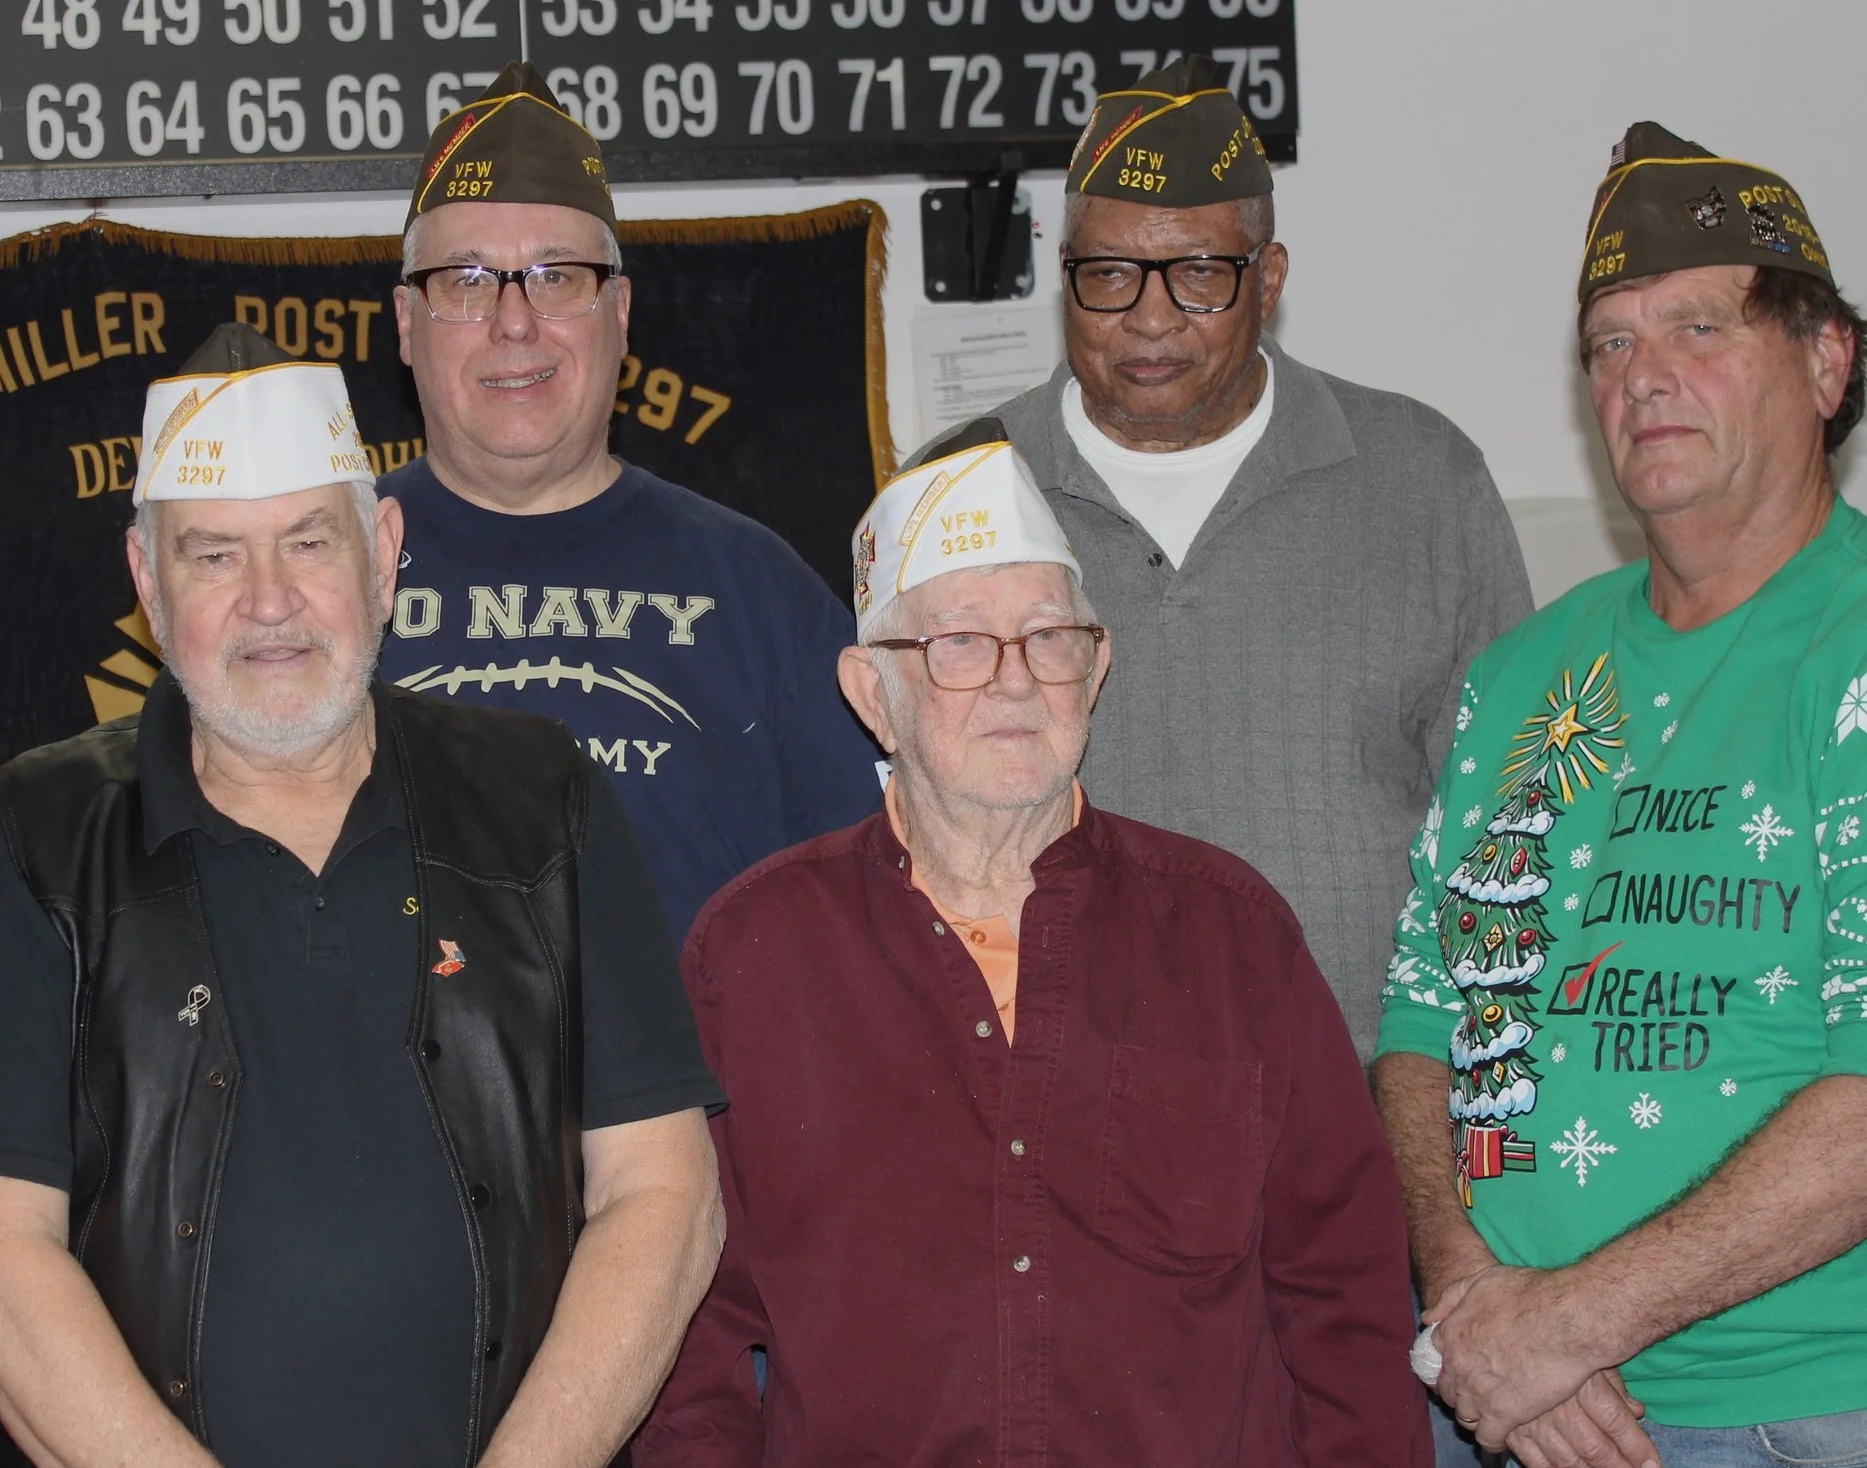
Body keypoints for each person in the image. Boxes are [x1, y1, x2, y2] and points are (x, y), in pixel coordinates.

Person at [0, 323, 726, 1467]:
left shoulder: (544, 802)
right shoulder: (36, 840)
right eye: (212, 555)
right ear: (147, 581)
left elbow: (665, 1198)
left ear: (384, 550)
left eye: (308, 541)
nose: (269, 601)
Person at [638, 426, 1427, 1465]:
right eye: (958, 642)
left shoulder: (1229, 936)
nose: (1016, 680)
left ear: (1094, 671)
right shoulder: (755, 954)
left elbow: (1346, 1300)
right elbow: (682, 1320)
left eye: (1049, 636)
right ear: (874, 693)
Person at [1377, 122, 1867, 1468]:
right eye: (1611, 343)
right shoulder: (1524, 672)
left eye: (1699, 329)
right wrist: (1476, 1304)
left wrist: (1565, 1325)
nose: (1645, 378)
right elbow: (1424, 1021)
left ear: (1827, 361)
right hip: (1495, 1399)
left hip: (1792, 1412)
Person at [951, 55, 1531, 1057]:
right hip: (1045, 1125)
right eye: (1108, 274)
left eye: (1199, 274)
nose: (1149, 314)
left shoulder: (1422, 480)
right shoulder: (962, 489)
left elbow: (1512, 829)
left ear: (1267, 278)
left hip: (1359, 1125)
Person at [378, 62, 882, 946]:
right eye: (464, 281)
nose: (514, 323)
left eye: (556, 276)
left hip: (701, 1087)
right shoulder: (315, 575)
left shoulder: (757, 587)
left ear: (620, 313)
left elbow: (870, 911)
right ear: (406, 324)